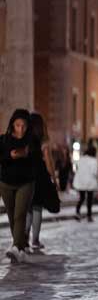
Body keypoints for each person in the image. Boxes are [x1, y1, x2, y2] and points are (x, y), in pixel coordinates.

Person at [1, 109, 38, 263]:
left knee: (20, 214)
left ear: (27, 126)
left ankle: (16, 246)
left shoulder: (32, 141)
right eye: (17, 125)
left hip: (26, 183)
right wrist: (10, 156)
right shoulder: (4, 140)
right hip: (6, 183)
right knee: (11, 216)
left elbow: (37, 160)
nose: (21, 129)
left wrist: (27, 154)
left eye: (23, 125)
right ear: (12, 125)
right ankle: (21, 248)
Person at [25, 113, 58, 251]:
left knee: (27, 208)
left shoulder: (25, 138)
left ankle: (24, 238)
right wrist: (54, 178)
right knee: (37, 207)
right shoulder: (43, 140)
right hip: (39, 176)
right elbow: (48, 161)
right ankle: (35, 240)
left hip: (25, 175)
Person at [74, 146, 98, 221]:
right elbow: (94, 172)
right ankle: (89, 216)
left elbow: (77, 168)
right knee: (89, 199)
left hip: (81, 182)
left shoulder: (81, 159)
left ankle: (77, 212)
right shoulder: (94, 160)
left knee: (81, 198)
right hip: (90, 183)